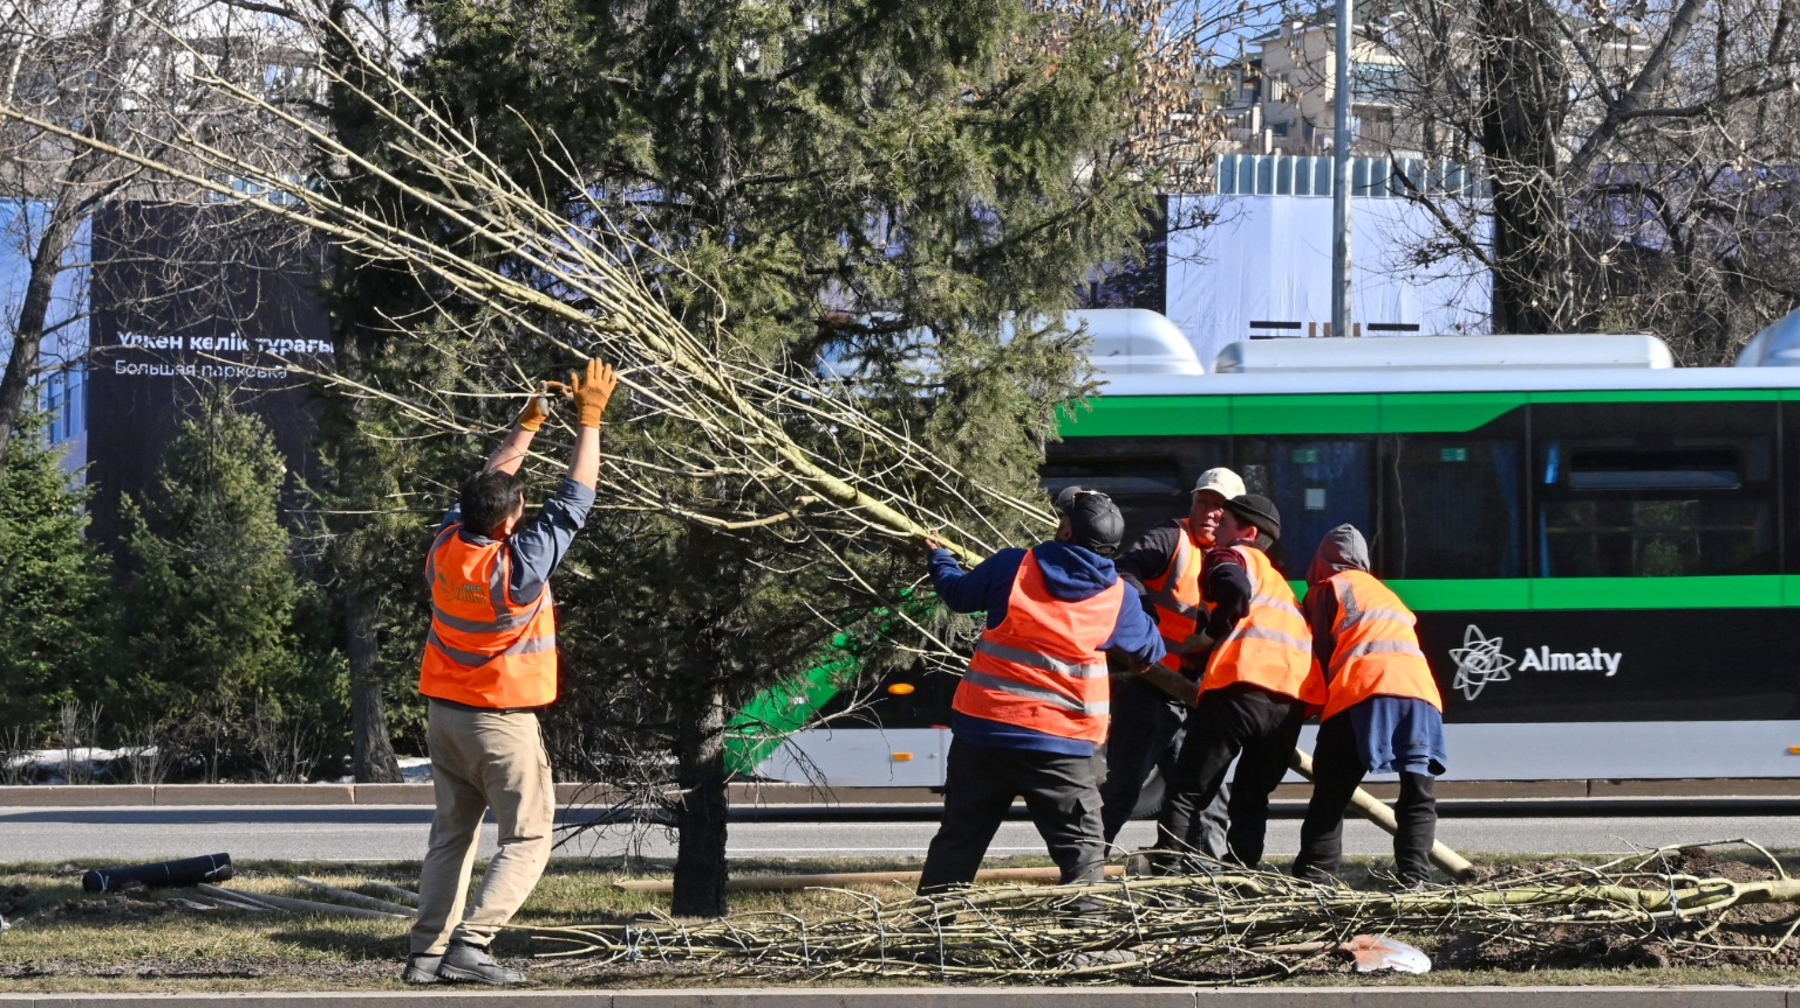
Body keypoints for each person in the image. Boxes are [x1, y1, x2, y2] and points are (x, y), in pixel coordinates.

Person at [404, 359, 618, 985]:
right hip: (499, 723)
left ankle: (425, 955)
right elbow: (578, 495)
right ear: (508, 522)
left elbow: (490, 483)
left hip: (444, 717)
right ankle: (472, 946)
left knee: (451, 837)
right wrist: (589, 416)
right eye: (520, 509)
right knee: (527, 838)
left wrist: (527, 424)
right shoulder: (516, 570)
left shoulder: (447, 544)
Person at [916, 487, 1165, 894]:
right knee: (1082, 854)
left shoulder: (1013, 565)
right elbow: (1149, 650)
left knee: (958, 843)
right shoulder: (1117, 597)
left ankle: (930, 941)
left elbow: (957, 593)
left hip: (985, 734)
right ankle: (1085, 947)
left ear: (1066, 532)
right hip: (1061, 747)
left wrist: (939, 557)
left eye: (1062, 518)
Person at [1154, 493, 1325, 871]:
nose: (1217, 530)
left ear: (1247, 532)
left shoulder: (1233, 556)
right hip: (1288, 706)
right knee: (1251, 800)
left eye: (1226, 523)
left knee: (1186, 791)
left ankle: (1164, 883)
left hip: (1241, 687)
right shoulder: (1282, 587)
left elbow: (1233, 589)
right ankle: (1242, 883)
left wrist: (1211, 635)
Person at [1291, 524, 1447, 888]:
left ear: (1323, 561)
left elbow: (1315, 658)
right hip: (1421, 696)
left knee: (1331, 792)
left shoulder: (1328, 588)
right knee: (1418, 795)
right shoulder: (1389, 597)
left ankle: (1317, 878)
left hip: (1362, 691)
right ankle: (1414, 880)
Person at [1102, 468, 1246, 853]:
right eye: (1203, 503)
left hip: (1196, 697)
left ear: (1235, 519)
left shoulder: (1235, 560)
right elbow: (1125, 569)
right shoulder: (1171, 538)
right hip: (1149, 686)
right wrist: (1142, 608)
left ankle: (1196, 881)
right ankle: (1084, 871)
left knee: (1205, 799)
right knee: (1124, 789)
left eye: (1220, 508)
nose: (1209, 513)